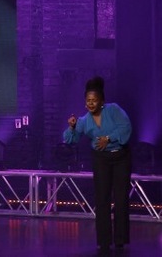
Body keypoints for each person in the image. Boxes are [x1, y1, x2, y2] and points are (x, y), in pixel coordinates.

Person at [63, 76, 132, 251]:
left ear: (102, 101)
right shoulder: (84, 120)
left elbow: (126, 128)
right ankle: (103, 242)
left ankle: (120, 240)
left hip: (120, 158)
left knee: (121, 198)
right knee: (102, 199)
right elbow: (71, 140)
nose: (91, 103)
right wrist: (71, 127)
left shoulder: (113, 110)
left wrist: (108, 139)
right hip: (101, 159)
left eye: (94, 100)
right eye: (88, 101)